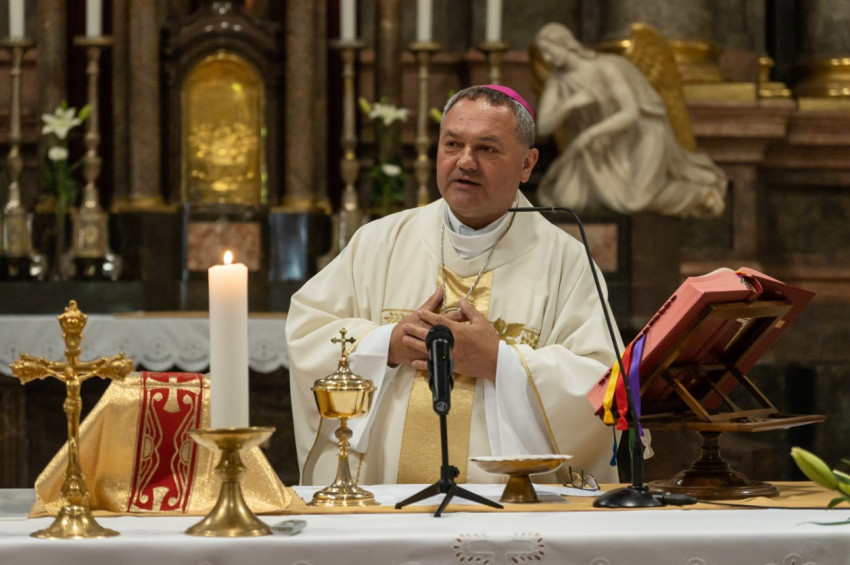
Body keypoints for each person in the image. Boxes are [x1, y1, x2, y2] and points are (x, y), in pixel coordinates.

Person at [285, 85, 621, 487]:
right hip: (381, 501)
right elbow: (308, 331)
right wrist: (387, 344)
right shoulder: (380, 241)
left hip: (511, 509)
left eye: (487, 149)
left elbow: (603, 385)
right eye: (452, 144)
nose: (465, 161)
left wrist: (499, 361)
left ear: (527, 164)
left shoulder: (565, 261)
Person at [533, 22, 727, 218]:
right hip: (600, 148)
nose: (547, 58)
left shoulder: (606, 67)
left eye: (549, 51)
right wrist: (569, 104)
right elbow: (544, 127)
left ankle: (697, 194)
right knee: (566, 200)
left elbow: (630, 112)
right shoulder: (557, 81)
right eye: (544, 53)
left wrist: (591, 133)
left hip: (640, 136)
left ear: (565, 44)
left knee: (635, 200)